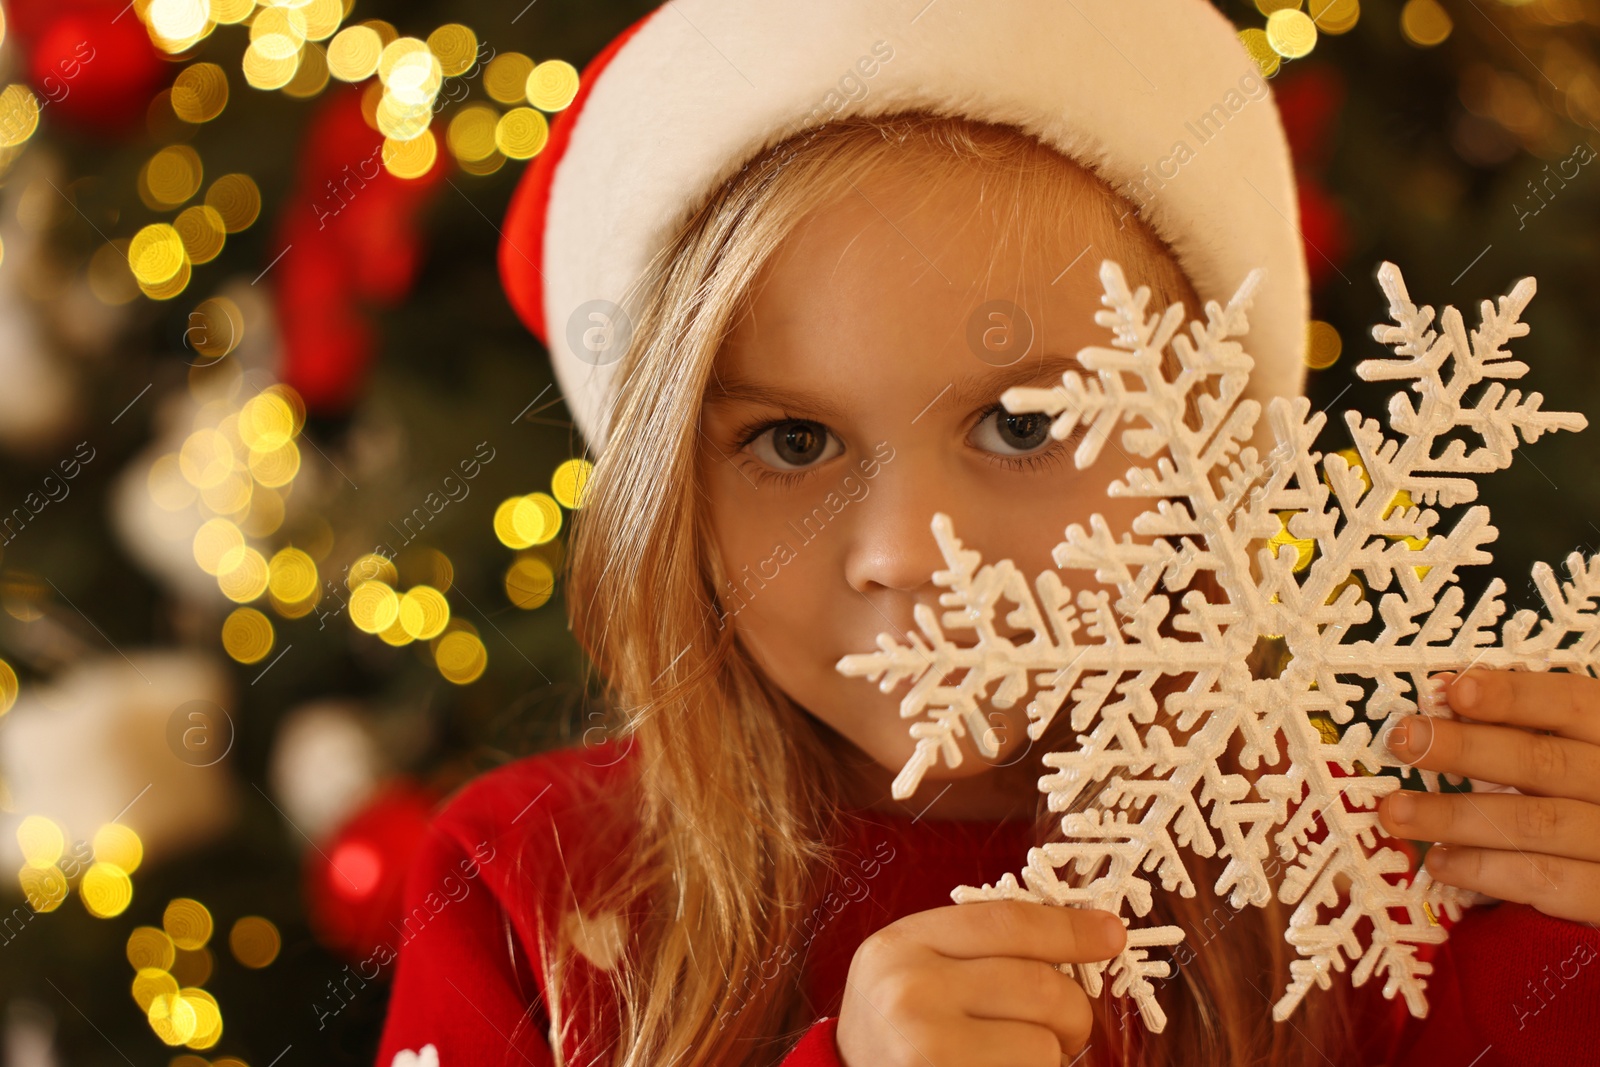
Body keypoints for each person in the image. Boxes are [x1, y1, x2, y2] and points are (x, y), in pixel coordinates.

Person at [374, 2, 1600, 1064]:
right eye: (793, 443)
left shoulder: (1354, 876)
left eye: (1022, 424)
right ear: (671, 492)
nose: (906, 551)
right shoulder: (530, 894)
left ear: (1213, 450)